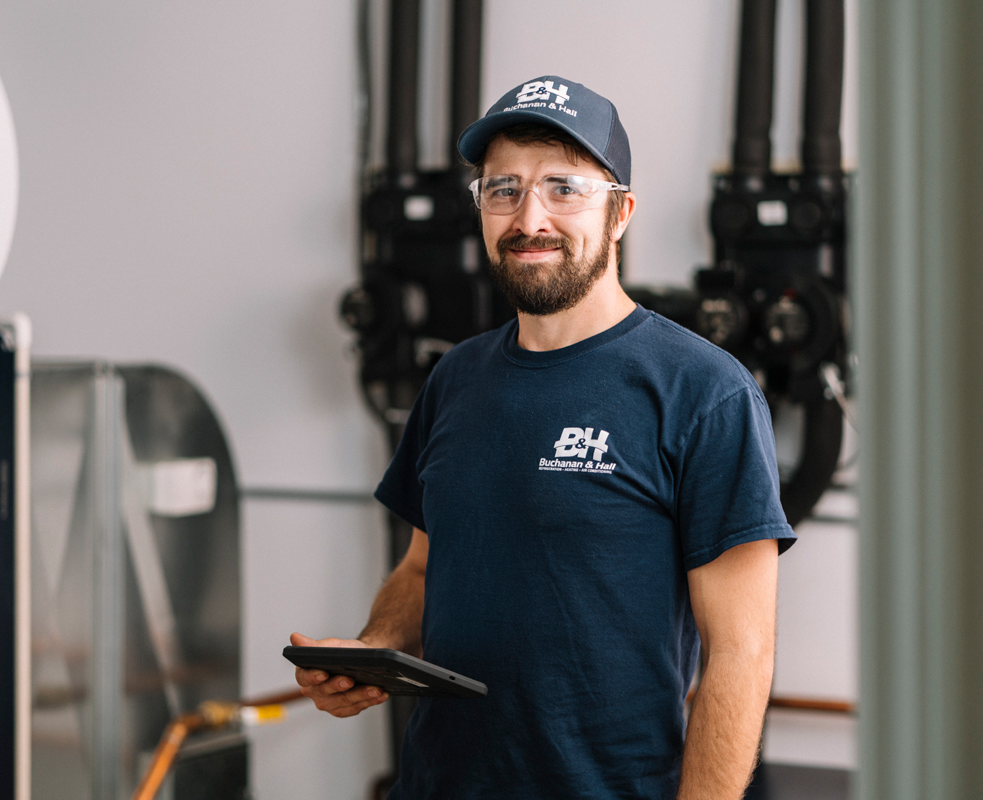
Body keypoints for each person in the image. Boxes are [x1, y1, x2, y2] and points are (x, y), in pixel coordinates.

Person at [291, 75, 795, 800]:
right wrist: (373, 652)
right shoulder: (456, 379)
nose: (530, 217)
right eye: (503, 189)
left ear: (620, 212)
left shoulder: (704, 392)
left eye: (563, 187)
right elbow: (423, 571)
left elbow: (742, 653)